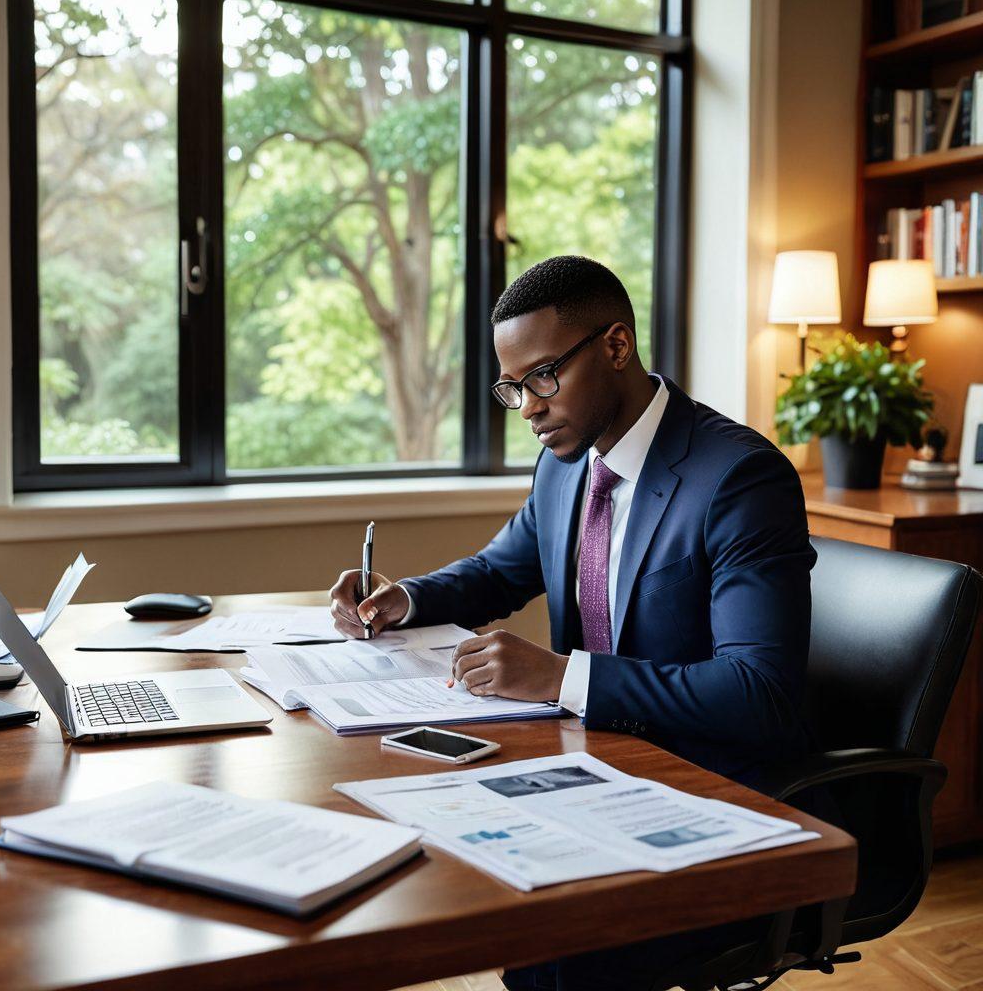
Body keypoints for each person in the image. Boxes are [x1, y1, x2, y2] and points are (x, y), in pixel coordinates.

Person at [330, 255, 817, 991]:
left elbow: (760, 693)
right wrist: (406, 599)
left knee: (552, 944)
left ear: (616, 347)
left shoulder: (737, 479)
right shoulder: (566, 464)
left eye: (543, 377)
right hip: (588, 768)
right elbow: (499, 571)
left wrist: (562, 676)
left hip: (704, 791)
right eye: (512, 387)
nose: (527, 406)